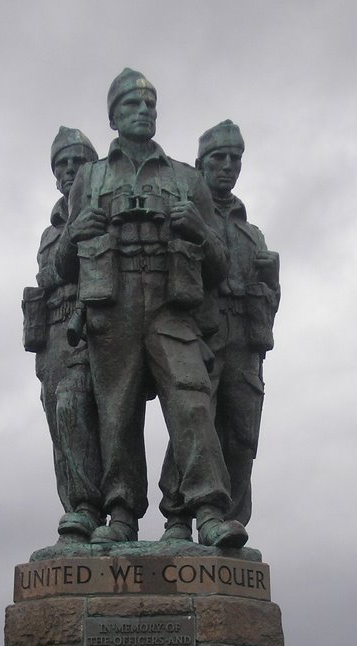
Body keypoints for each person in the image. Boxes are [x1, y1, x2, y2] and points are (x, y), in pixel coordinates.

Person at [55, 70, 247, 548]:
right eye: (131, 105)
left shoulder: (186, 178)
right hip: (112, 308)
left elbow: (219, 269)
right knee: (115, 414)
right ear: (114, 116)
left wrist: (199, 232)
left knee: (192, 400)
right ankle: (120, 513)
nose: (143, 112)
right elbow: (63, 266)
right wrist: (77, 233)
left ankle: (207, 511)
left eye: (149, 105)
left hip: (171, 309)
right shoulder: (91, 177)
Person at [160, 120, 280, 536]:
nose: (228, 166)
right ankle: (177, 515)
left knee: (243, 439)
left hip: (245, 344)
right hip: (200, 337)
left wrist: (273, 280)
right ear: (200, 165)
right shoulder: (186, 216)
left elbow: (272, 302)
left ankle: (231, 522)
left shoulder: (252, 235)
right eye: (218, 158)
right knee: (193, 423)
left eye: (235, 159)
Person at [22, 127, 104, 541]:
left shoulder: (102, 211)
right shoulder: (51, 231)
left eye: (77, 162)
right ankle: (76, 511)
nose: (70, 170)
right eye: (62, 164)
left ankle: (92, 507)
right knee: (60, 423)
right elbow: (51, 272)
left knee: (78, 409)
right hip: (54, 334)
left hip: (95, 328)